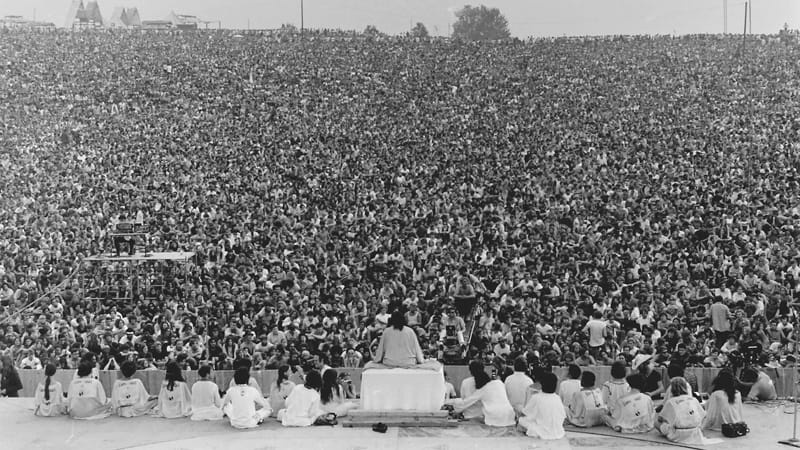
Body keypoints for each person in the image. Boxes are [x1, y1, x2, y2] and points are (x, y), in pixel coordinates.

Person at [446, 360, 516, 427]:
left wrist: (452, 407)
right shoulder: (499, 383)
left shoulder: (482, 389)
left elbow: (465, 402)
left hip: (492, 417)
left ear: (470, 371)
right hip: (510, 414)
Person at [365, 310, 438, 370]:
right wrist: (421, 360)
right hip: (408, 362)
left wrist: (377, 360)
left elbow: (380, 350)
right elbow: (417, 349)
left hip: (390, 362)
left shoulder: (387, 331)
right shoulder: (410, 331)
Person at [657, 377, 720, 445]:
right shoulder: (694, 400)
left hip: (678, 435)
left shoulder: (670, 402)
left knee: (657, 422)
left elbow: (660, 418)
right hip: (695, 432)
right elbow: (704, 416)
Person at [518, 372, 567, 440]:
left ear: (542, 384)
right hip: (558, 431)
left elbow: (524, 414)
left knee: (521, 420)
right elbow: (563, 416)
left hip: (542, 432)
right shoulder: (557, 398)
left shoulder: (536, 397)